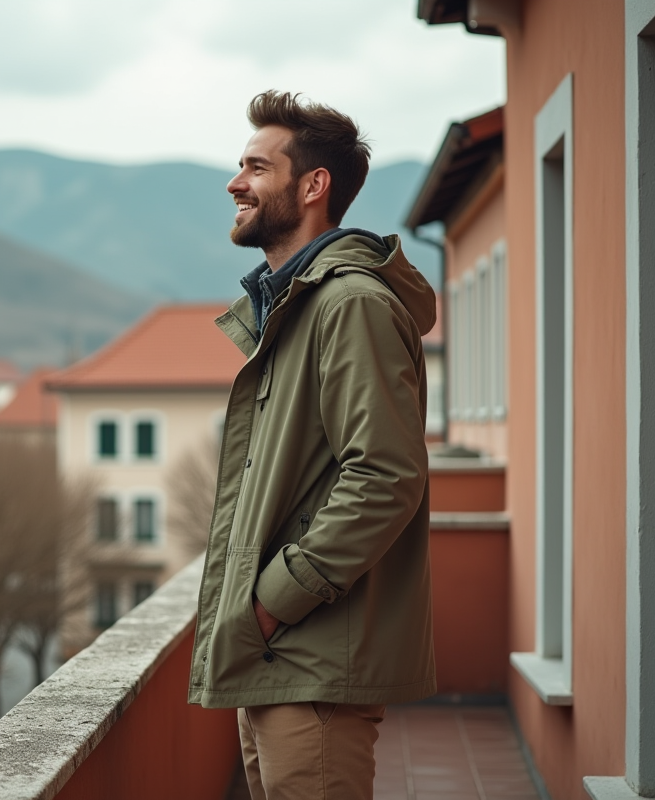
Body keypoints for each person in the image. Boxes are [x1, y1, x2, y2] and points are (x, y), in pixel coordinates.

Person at [187, 90, 437, 799]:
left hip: (311, 653)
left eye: (256, 167)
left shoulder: (348, 303)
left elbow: (385, 475)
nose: (236, 183)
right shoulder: (298, 308)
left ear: (313, 185)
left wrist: (273, 601)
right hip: (281, 656)